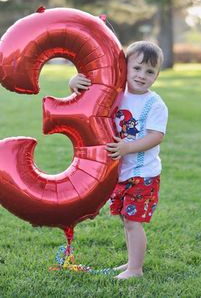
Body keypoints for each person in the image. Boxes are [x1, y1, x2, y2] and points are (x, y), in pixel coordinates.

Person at [69, 41, 168, 279]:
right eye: (137, 68)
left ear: (156, 75)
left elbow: (156, 136)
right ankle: (131, 262)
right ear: (124, 68)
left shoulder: (154, 104)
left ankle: (136, 269)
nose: (142, 76)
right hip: (123, 172)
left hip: (143, 173)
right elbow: (86, 97)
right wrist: (73, 83)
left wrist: (128, 147)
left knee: (133, 222)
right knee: (126, 220)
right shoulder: (116, 94)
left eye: (150, 71)